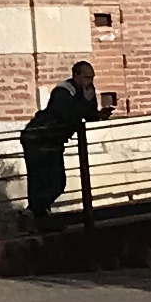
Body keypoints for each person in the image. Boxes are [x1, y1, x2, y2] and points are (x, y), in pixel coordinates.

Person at [18, 60, 105, 227]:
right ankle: (34, 214)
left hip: (52, 141)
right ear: (76, 75)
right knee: (43, 180)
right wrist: (86, 102)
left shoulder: (83, 92)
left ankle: (36, 214)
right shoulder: (63, 92)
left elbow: (88, 114)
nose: (90, 82)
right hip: (38, 138)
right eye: (86, 77)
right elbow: (68, 116)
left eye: (92, 78)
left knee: (56, 182)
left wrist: (97, 110)